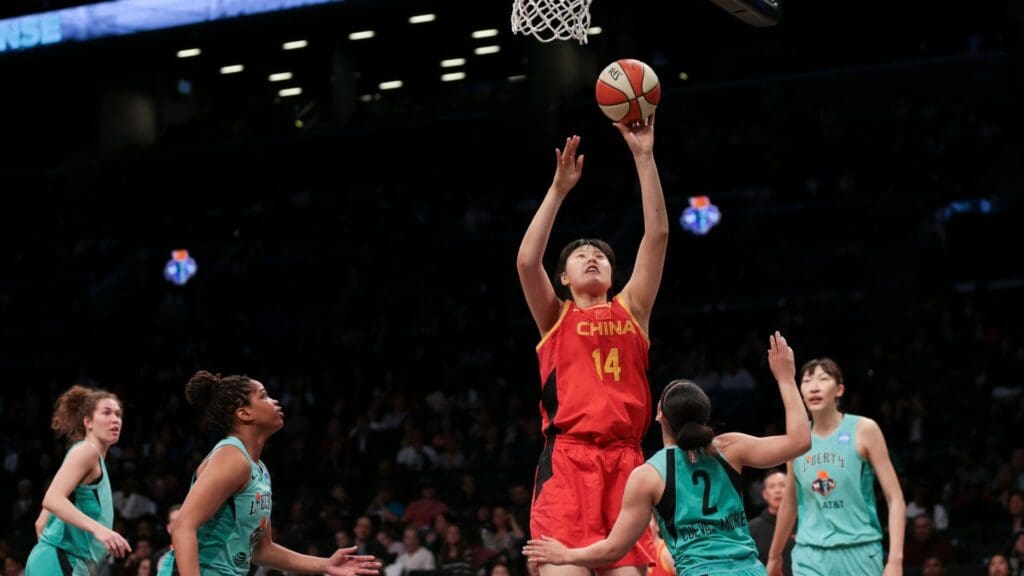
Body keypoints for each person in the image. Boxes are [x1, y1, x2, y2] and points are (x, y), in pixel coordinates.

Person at [515, 115, 669, 576]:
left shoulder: (632, 309)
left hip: (626, 465)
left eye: (600, 254)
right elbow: (526, 261)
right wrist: (559, 189)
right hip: (567, 464)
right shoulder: (555, 316)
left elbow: (657, 235)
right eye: (579, 255)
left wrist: (644, 155)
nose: (592, 256)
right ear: (564, 277)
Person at [523, 332, 810, 576]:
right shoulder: (730, 448)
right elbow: (800, 441)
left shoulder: (649, 475)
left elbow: (613, 549)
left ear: (660, 414)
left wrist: (566, 555)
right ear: (704, 416)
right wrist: (786, 378)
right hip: (749, 569)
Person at [160, 370, 384, 576]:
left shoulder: (260, 469)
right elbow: (183, 527)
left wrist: (326, 564)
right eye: (264, 396)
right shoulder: (231, 457)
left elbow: (262, 551)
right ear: (244, 413)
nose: (274, 401)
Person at [766, 358, 906, 576]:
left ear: (839, 389)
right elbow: (790, 502)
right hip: (809, 554)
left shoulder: (864, 429)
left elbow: (895, 498)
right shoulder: (797, 441)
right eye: (807, 381)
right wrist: (775, 556)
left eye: (823, 379)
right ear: (800, 391)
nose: (814, 387)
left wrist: (896, 560)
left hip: (859, 550)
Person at [26, 385, 132, 575]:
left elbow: (41, 523)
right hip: (62, 559)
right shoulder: (86, 451)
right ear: (88, 422)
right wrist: (99, 530)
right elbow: (52, 499)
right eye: (106, 413)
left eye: (118, 414)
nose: (115, 419)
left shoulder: (90, 458)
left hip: (63, 562)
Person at [747, 470, 793, 574]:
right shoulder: (751, 529)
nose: (777, 490)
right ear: (765, 494)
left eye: (782, 485)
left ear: (792, 491)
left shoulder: (804, 524)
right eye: (772, 486)